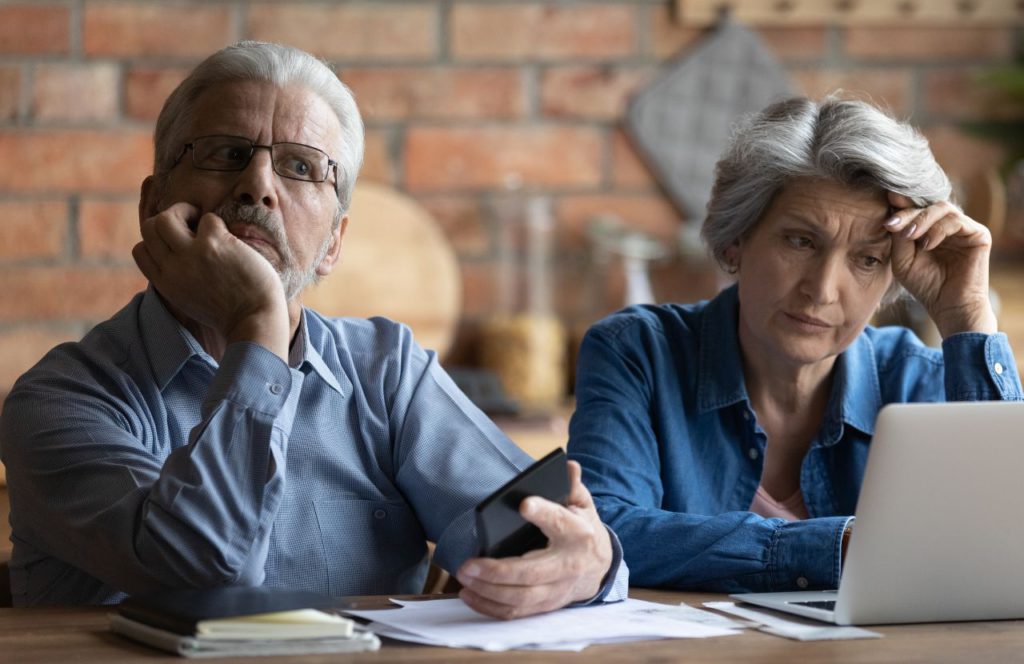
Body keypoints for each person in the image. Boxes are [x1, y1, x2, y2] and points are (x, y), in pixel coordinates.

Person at [0, 41, 626, 616]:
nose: (258, 186)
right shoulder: (61, 399)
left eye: (300, 167)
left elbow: (534, 527)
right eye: (226, 154)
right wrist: (258, 328)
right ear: (152, 204)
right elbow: (202, 575)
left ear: (333, 243)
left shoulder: (386, 371)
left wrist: (590, 563)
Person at [567, 95, 1023, 593]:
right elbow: (602, 532)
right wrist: (842, 546)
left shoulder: (916, 379)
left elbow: (1008, 542)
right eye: (801, 242)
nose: (823, 290)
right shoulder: (638, 353)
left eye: (867, 260)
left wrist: (968, 318)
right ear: (736, 241)